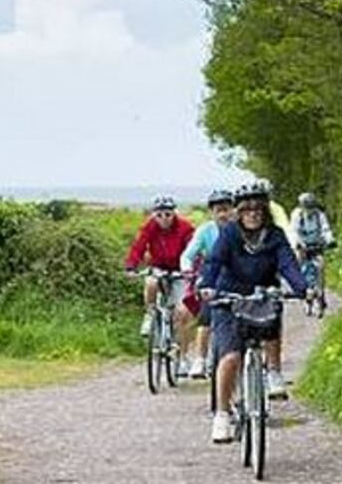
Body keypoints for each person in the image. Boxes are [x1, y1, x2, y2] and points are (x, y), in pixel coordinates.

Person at [201, 181, 306, 443]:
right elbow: (214, 262)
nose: (253, 212)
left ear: (265, 210)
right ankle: (222, 415)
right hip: (229, 297)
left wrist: (304, 288)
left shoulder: (275, 235)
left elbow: (288, 264)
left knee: (273, 317)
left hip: (263, 294)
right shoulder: (229, 234)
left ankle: (273, 372)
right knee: (231, 356)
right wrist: (206, 285)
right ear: (238, 211)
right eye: (246, 208)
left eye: (258, 207)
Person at [124, 195, 196, 369]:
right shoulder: (150, 227)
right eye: (160, 214)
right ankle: (150, 314)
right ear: (154, 215)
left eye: (168, 214)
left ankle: (184, 356)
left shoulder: (185, 228)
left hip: (180, 270)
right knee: (151, 283)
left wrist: (192, 270)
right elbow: (138, 247)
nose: (164, 218)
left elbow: (193, 250)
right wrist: (131, 266)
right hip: (158, 267)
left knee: (181, 314)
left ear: (174, 214)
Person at [179, 189, 235, 378]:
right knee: (206, 318)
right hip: (212, 278)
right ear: (212, 212)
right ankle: (200, 359)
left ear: (233, 210)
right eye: (218, 210)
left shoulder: (242, 229)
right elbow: (188, 255)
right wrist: (187, 269)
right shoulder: (205, 230)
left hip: (239, 277)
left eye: (227, 209)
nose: (223, 214)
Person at [290, 192, 336, 298]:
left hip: (316, 244)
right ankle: (300, 286)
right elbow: (293, 230)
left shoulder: (319, 215)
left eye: (311, 206)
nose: (309, 209)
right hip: (302, 244)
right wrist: (298, 243)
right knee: (299, 261)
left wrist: (330, 240)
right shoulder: (297, 214)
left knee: (321, 264)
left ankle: (320, 288)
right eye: (307, 207)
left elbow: (325, 229)